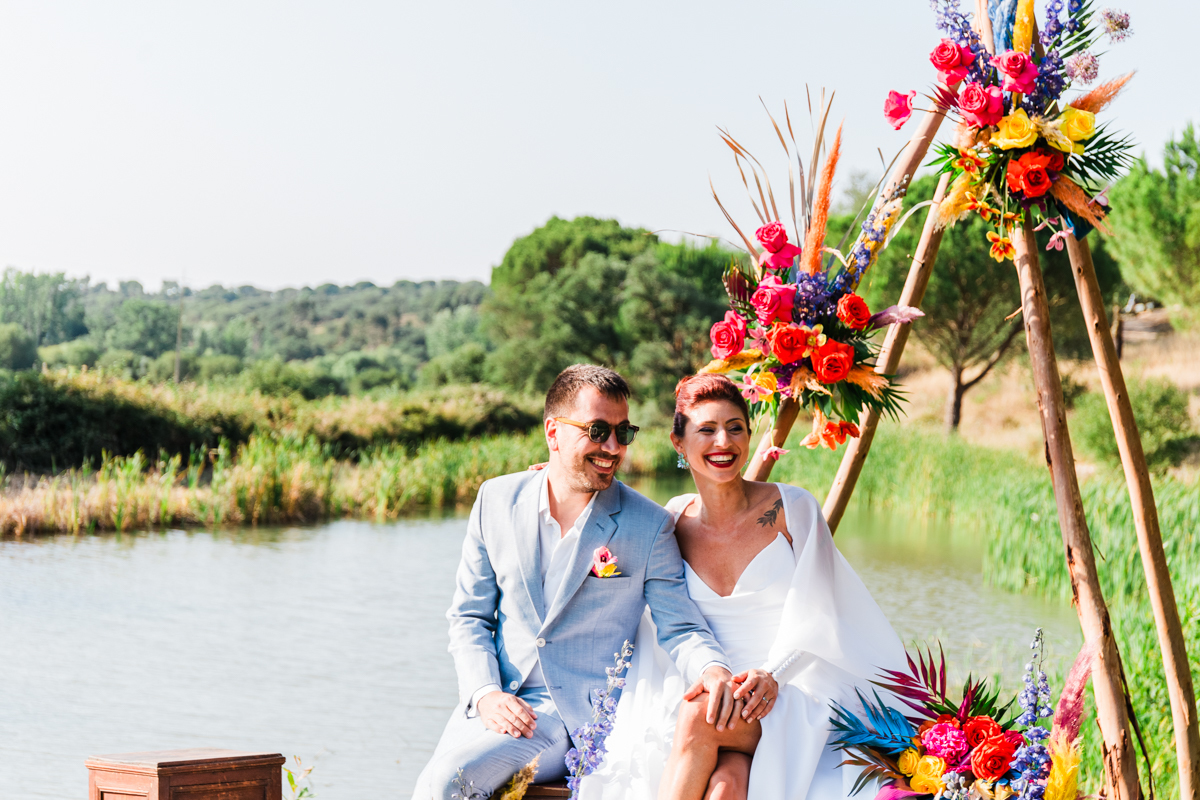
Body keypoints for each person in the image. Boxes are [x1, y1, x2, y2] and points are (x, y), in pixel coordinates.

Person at [412, 365, 739, 800]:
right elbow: (469, 615)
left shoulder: (648, 526)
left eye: (624, 433)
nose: (613, 448)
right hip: (488, 703)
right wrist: (485, 692)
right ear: (553, 432)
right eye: (598, 430)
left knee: (449, 780)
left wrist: (714, 670)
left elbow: (680, 626)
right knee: (432, 783)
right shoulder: (495, 499)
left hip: (568, 717)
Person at [578, 373, 906, 800]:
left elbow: (826, 612)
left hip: (791, 689)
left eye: (736, 428)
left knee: (698, 717)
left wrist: (774, 675)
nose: (723, 442)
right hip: (714, 693)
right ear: (679, 443)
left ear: (750, 436)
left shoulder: (792, 508)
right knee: (725, 787)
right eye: (707, 430)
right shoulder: (669, 523)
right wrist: (552, 475)